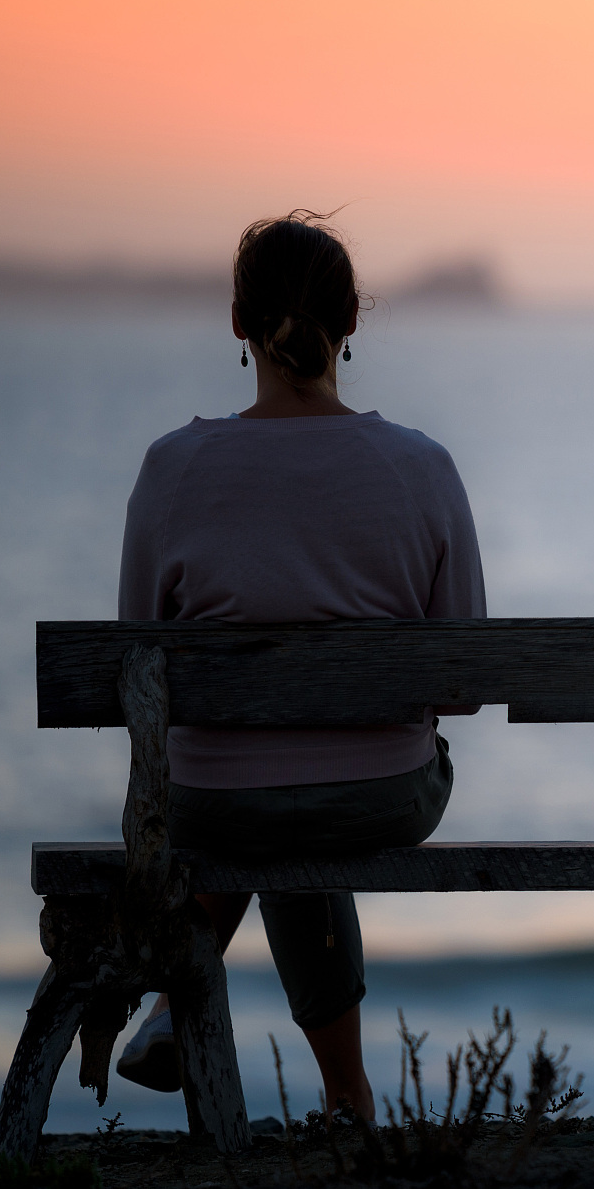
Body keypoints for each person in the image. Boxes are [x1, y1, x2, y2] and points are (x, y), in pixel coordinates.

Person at [110, 210, 486, 1120]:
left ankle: (178, 1008)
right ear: (351, 320)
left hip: (210, 802)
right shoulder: (423, 467)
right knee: (306, 803)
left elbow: (134, 665)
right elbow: (466, 681)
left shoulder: (173, 469)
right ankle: (350, 1096)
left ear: (239, 323)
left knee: (266, 807)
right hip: (384, 791)